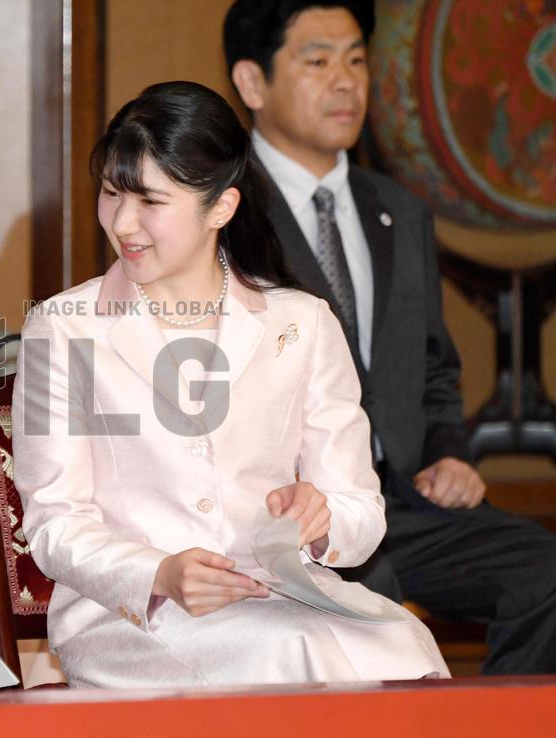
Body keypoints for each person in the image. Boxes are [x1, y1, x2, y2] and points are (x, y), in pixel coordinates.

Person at [12, 81, 447, 688]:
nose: (124, 223)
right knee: (297, 656)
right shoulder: (63, 328)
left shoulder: (303, 323)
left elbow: (359, 509)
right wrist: (159, 573)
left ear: (221, 207)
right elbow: (54, 523)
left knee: (403, 647)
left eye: (151, 202)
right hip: (132, 617)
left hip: (285, 596)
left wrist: (319, 522)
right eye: (112, 195)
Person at [224, 0, 556, 674]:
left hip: (403, 507)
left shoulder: (398, 209)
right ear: (253, 84)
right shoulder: (224, 212)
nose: (346, 81)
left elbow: (433, 367)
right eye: (317, 61)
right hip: (286, 519)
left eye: (355, 59)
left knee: (546, 573)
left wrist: (450, 454)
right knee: (366, 632)